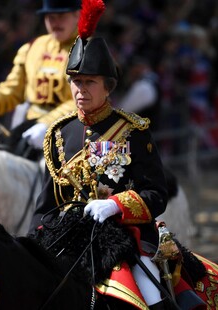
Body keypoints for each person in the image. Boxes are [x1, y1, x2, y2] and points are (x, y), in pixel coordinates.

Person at [29, 27, 206, 308]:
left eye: (89, 82)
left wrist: (115, 205)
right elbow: (45, 205)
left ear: (108, 86)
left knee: (150, 295)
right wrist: (32, 245)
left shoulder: (133, 131)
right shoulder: (59, 134)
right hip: (69, 238)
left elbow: (156, 194)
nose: (80, 89)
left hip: (125, 239)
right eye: (75, 81)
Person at [0, 0, 81, 151]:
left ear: (77, 15)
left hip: (71, 134)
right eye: (50, 17)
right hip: (30, 131)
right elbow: (12, 92)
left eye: (61, 16)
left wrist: (48, 123)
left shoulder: (88, 50)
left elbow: (84, 100)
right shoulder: (32, 48)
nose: (55, 23)